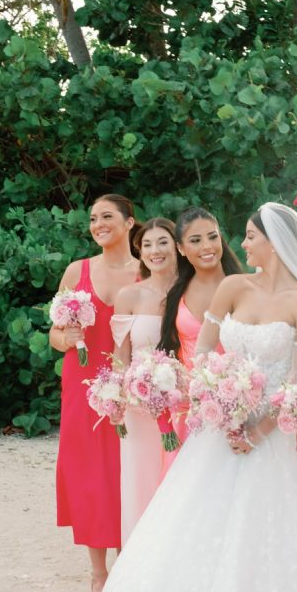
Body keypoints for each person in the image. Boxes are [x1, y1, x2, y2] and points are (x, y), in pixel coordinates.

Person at [71, 203, 297, 592]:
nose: (245, 243)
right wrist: (218, 400)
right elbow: (205, 356)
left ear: (274, 243)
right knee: (190, 531)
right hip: (217, 427)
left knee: (260, 541)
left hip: (270, 436)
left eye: (252, 236)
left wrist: (257, 427)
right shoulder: (236, 290)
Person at [50, 194, 140, 592]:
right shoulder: (77, 271)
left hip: (133, 389)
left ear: (129, 222)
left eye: (107, 216)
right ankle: (98, 573)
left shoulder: (148, 271)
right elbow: (53, 335)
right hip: (83, 387)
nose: (98, 224)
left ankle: (131, 564)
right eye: (93, 218)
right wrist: (63, 338)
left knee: (130, 471)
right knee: (90, 476)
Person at [110, 217, 180, 547]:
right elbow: (120, 354)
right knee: (140, 482)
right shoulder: (130, 295)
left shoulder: (191, 291)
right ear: (139, 250)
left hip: (183, 404)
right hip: (139, 406)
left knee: (177, 483)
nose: (155, 251)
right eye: (147, 244)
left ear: (177, 245)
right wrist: (114, 396)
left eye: (163, 242)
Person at [157, 206, 242, 441]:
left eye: (213, 237)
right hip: (190, 409)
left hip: (237, 404)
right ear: (181, 249)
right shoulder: (176, 295)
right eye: (195, 240)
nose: (207, 246)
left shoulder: (243, 288)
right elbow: (169, 352)